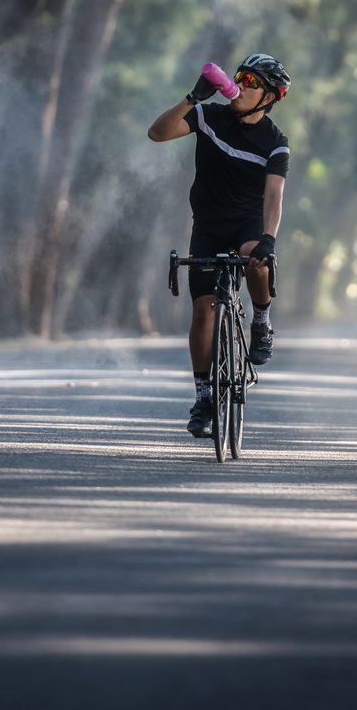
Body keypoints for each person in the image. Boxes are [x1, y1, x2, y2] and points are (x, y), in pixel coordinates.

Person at [148, 53, 291, 437]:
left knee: (255, 261)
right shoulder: (210, 116)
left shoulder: (275, 142)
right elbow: (157, 133)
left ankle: (261, 320)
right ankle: (203, 395)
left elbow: (274, 197)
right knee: (202, 312)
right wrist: (193, 97)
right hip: (208, 225)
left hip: (248, 224)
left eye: (252, 82)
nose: (241, 84)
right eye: (240, 76)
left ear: (271, 96)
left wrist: (269, 239)